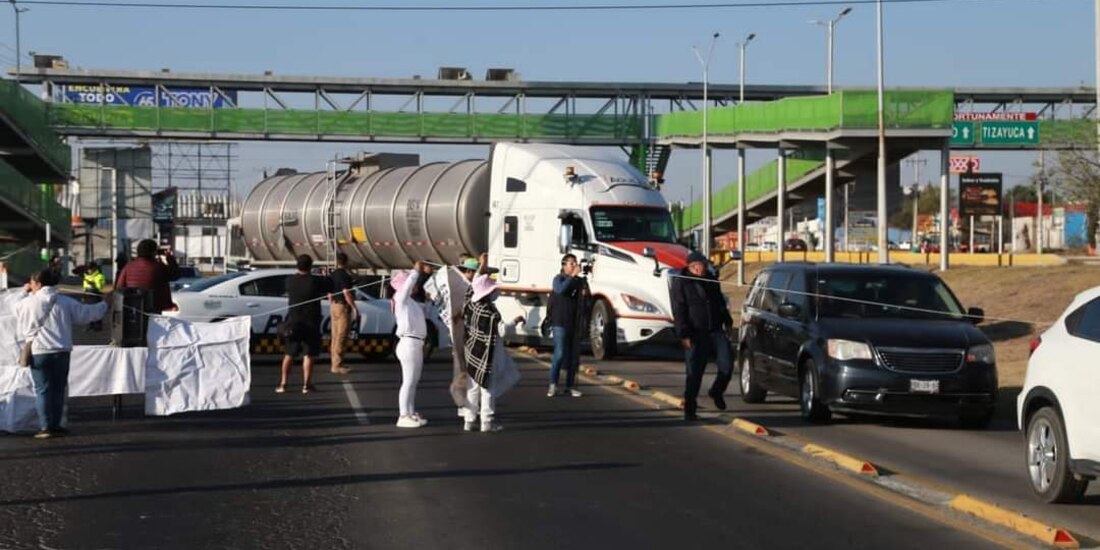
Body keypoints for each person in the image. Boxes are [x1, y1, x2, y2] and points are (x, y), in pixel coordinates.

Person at [14, 270, 109, 439]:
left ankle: (45, 426)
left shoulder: (28, 302)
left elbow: (14, 308)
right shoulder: (65, 301)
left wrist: (23, 291)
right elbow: (86, 314)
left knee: (42, 390)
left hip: (39, 351)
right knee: (58, 390)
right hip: (62, 350)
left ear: (38, 283)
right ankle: (56, 425)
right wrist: (104, 305)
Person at [670, 251, 734, 421]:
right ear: (691, 267)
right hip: (695, 332)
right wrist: (684, 333)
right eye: (698, 266)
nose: (702, 268)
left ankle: (716, 391)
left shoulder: (711, 280)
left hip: (715, 330)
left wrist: (727, 321)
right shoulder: (681, 283)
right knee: (694, 372)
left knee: (727, 366)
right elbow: (679, 310)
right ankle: (690, 408)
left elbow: (720, 303)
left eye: (704, 265)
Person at [462, 274, 523, 433]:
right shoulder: (490, 312)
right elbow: (501, 331)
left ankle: (469, 420)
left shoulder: (470, 305)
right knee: (487, 387)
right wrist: (515, 321)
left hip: (472, 352)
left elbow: (471, 288)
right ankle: (486, 422)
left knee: (472, 387)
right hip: (487, 354)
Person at [278, 254, 333, 394]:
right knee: (308, 354)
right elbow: (330, 286)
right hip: (311, 322)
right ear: (310, 266)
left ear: (297, 265)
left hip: (293, 321)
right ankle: (306, 385)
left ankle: (283, 383)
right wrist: (325, 275)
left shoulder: (289, 280)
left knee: (289, 353)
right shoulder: (315, 281)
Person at [392, 260, 432, 428]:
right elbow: (407, 286)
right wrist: (415, 271)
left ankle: (410, 412)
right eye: (411, 282)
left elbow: (427, 310)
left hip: (416, 344)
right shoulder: (400, 298)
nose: (414, 285)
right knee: (408, 381)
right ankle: (403, 415)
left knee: (414, 381)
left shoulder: (410, 301)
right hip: (408, 343)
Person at [547, 253, 587, 398]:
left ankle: (570, 386)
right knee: (560, 353)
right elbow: (560, 290)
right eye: (571, 263)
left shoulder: (578, 281)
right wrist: (571, 277)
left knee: (573, 356)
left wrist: (583, 285)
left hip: (574, 322)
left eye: (575, 263)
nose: (574, 266)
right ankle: (553, 384)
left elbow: (584, 300)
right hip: (560, 322)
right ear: (564, 265)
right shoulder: (559, 279)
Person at [114, 239, 180, 314]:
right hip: (155, 305)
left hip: (133, 305)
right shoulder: (159, 267)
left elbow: (119, 287)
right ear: (153, 252)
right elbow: (175, 275)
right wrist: (169, 258)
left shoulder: (128, 267)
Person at [327, 252, 359, 375]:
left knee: (334, 336)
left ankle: (334, 362)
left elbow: (329, 293)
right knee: (342, 336)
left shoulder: (332, 274)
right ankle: (337, 365)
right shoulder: (345, 276)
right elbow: (346, 293)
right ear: (346, 262)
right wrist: (354, 307)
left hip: (334, 305)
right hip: (342, 306)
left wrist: (332, 304)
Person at [81, 262, 106, 331]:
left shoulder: (100, 276)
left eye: (91, 269)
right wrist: (83, 296)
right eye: (88, 269)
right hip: (88, 295)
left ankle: (97, 326)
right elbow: (84, 287)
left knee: (97, 310)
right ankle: (89, 325)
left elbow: (101, 286)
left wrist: (93, 284)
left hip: (96, 295)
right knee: (87, 311)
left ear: (95, 268)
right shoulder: (86, 276)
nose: (89, 270)